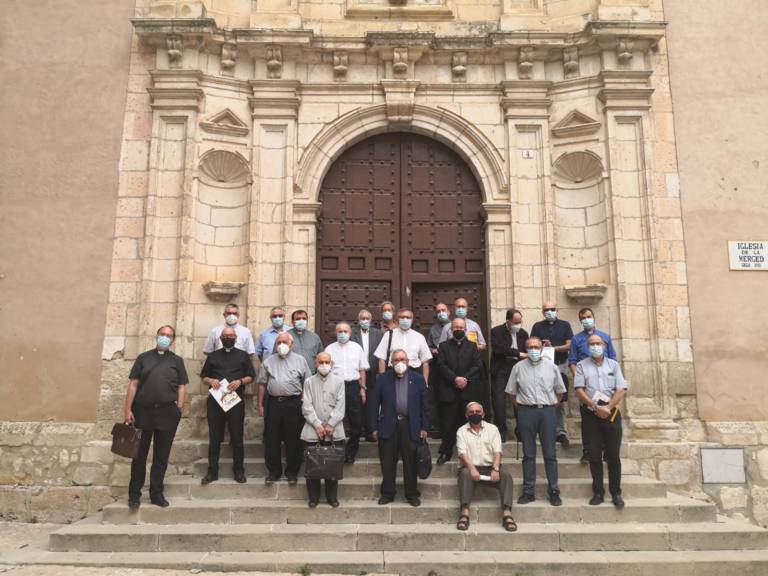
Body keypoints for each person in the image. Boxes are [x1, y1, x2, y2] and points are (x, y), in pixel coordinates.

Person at [124, 325, 188, 509]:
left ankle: (156, 494)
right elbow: (133, 384)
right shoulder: (143, 358)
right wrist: (127, 410)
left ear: (172, 340)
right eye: (162, 334)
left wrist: (179, 408)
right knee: (139, 455)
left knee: (161, 456)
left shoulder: (177, 361)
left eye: (169, 335)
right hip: (143, 412)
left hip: (168, 413)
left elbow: (182, 386)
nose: (165, 337)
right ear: (157, 336)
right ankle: (134, 494)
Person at [505, 337, 565, 506]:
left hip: (547, 412)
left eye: (536, 347)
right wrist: (523, 407)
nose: (533, 350)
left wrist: (551, 406)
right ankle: (528, 491)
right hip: (526, 412)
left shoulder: (551, 367)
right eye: (530, 347)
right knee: (528, 454)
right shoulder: (517, 368)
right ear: (526, 348)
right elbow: (511, 393)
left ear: (541, 348)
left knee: (550, 454)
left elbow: (560, 392)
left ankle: (554, 490)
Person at [369, 349, 430, 507]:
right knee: (388, 461)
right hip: (388, 424)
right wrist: (374, 427)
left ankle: (412, 494)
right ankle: (388, 493)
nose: (399, 362)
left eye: (402, 359)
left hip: (411, 425)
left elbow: (425, 406)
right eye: (396, 360)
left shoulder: (418, 379)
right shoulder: (382, 379)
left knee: (411, 462)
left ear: (408, 361)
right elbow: (374, 405)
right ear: (391, 362)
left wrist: (424, 426)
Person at [574, 334, 628, 508]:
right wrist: (595, 407)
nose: (595, 346)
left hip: (611, 413)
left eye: (597, 343)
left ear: (604, 345)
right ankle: (598, 492)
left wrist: (608, 407)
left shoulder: (614, 365)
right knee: (594, 455)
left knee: (613, 456)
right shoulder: (581, 365)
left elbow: (621, 389)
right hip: (591, 414)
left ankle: (616, 492)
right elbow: (579, 391)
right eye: (591, 344)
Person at [200, 326, 255, 485]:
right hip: (215, 401)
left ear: (236, 338)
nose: (228, 338)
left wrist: (240, 382)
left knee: (237, 437)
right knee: (214, 437)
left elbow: (251, 376)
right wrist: (211, 381)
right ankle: (212, 471)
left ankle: (239, 471)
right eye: (225, 336)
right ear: (220, 338)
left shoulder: (243, 356)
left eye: (231, 336)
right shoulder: (213, 356)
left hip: (235, 401)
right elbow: (204, 376)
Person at [257, 332, 312, 483]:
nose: (281, 345)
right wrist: (260, 404)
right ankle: (274, 472)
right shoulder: (268, 361)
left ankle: (292, 472)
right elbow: (262, 384)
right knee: (271, 438)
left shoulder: (300, 360)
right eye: (279, 342)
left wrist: (303, 401)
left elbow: (307, 382)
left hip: (293, 404)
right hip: (273, 403)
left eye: (285, 342)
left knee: (293, 438)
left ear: (291, 344)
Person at [455, 402, 516, 532]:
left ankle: (507, 514)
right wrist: (472, 469)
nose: (475, 414)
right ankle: (464, 513)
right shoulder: (461, 431)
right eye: (471, 412)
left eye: (478, 412)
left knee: (506, 476)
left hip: (490, 468)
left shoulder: (492, 429)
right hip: (470, 468)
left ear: (483, 414)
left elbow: (497, 452)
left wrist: (495, 469)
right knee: (465, 474)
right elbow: (462, 454)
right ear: (466, 415)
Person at [568, 307, 617, 463]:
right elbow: (572, 362)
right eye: (583, 318)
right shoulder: (576, 339)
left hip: (605, 386)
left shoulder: (605, 337)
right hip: (587, 387)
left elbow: (613, 360)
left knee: (608, 419)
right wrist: (580, 380)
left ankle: (607, 450)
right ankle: (588, 450)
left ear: (593, 317)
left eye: (588, 316)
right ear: (580, 321)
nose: (586, 319)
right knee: (588, 421)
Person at [435, 318, 483, 464]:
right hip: (449, 390)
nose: (458, 330)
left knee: (467, 423)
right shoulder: (443, 346)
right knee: (448, 423)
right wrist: (455, 379)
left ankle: (469, 453)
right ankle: (446, 452)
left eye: (461, 328)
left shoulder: (472, 346)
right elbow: (441, 365)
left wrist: (465, 379)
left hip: (467, 390)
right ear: (450, 330)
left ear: (465, 329)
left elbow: (477, 365)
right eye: (455, 327)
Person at [301, 352, 346, 508]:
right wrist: (317, 424)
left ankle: (332, 497)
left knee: (332, 465)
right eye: (321, 362)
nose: (324, 365)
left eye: (327, 362)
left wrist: (331, 424)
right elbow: (306, 406)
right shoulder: (309, 382)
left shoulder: (340, 382)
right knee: (313, 464)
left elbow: (341, 406)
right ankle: (313, 497)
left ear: (331, 364)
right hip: (313, 430)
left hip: (334, 431)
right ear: (316, 362)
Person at [530, 301, 573, 447]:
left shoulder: (565, 325)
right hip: (542, 367)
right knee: (541, 397)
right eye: (546, 309)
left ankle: (561, 432)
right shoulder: (537, 326)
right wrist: (542, 346)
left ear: (557, 309)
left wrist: (553, 348)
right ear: (542, 311)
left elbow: (569, 345)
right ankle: (543, 430)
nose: (549, 311)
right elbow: (532, 344)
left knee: (561, 399)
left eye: (552, 309)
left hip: (560, 365)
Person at [325, 322, 369, 463]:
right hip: (335, 387)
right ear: (335, 333)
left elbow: (362, 369)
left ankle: (351, 452)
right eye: (339, 331)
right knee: (334, 419)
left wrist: (362, 388)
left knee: (355, 421)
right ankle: (335, 450)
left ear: (350, 333)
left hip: (352, 387)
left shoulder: (357, 348)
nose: (342, 334)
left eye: (345, 331)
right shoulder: (329, 349)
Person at [489, 308, 528, 442]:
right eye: (516, 322)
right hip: (501, 368)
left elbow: (528, 349)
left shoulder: (523, 333)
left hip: (518, 368)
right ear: (508, 321)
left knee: (519, 399)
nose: (518, 324)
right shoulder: (496, 331)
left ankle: (521, 431)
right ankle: (501, 431)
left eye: (520, 321)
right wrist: (518, 353)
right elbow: (499, 349)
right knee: (499, 400)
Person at [374, 308, 432, 380]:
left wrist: (425, 381)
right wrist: (382, 380)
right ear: (398, 319)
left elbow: (425, 362)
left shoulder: (419, 337)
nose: (405, 319)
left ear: (412, 320)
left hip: (414, 373)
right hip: (392, 373)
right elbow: (381, 359)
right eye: (402, 317)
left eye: (408, 317)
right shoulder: (389, 335)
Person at [351, 309, 383, 441]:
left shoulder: (377, 333)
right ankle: (355, 432)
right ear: (358, 320)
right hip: (356, 372)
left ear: (371, 320)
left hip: (373, 373)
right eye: (362, 318)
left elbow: (381, 353)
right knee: (357, 403)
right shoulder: (352, 333)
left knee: (372, 403)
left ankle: (371, 432)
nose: (364, 321)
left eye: (367, 318)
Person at [278, 309, 323, 374]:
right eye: (298, 319)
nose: (301, 321)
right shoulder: (284, 336)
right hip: (290, 376)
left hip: (311, 375)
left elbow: (320, 356)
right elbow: (276, 355)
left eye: (304, 319)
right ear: (293, 321)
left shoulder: (315, 337)